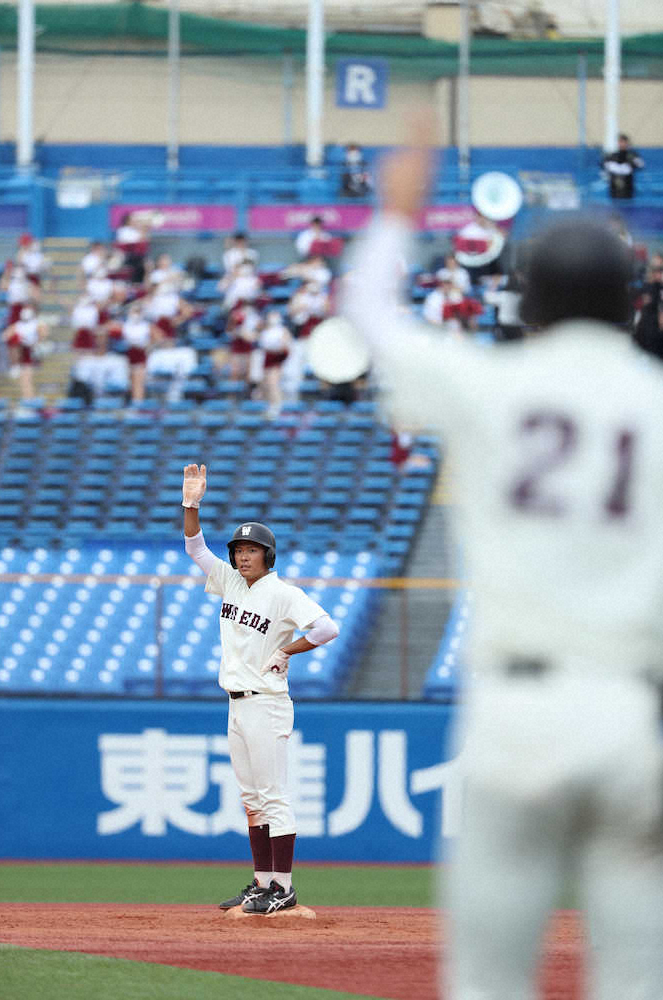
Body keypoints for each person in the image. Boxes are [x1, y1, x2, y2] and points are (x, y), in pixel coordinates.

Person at [342, 134, 663, 1000]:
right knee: (638, 981)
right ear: (630, 303)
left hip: (515, 717)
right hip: (630, 712)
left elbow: (370, 315)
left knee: (488, 983)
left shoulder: (491, 386)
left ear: (529, 305)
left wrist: (397, 212)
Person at [182, 468, 339, 913]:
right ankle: (262, 882)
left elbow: (327, 628)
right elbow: (195, 548)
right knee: (252, 799)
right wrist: (191, 505)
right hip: (236, 703)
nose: (242, 556)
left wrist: (288, 649)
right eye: (238, 550)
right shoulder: (230, 582)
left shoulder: (283, 593)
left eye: (251, 550)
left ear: (267, 555)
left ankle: (283, 889)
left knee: (272, 797)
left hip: (266, 704)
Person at [602, 134, 645, 200]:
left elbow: (641, 165)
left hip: (627, 187)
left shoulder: (632, 155)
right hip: (614, 188)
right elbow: (604, 165)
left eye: (624, 142)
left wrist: (631, 164)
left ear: (627, 143)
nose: (622, 144)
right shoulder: (612, 156)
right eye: (620, 142)